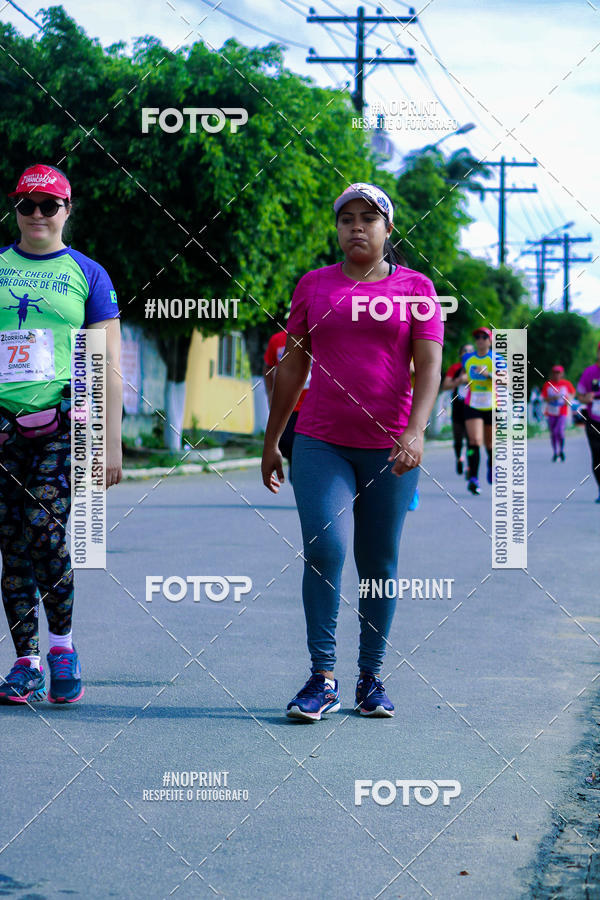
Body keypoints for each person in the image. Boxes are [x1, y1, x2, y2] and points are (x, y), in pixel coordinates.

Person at [261, 182, 443, 720]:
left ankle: (370, 678)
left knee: (378, 562)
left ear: (389, 229)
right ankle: (322, 677)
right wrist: (273, 440)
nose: (356, 227)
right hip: (320, 441)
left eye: (369, 218)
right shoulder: (314, 286)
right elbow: (292, 368)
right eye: (347, 219)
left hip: (390, 447)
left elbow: (428, 365)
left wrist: (416, 430)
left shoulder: (416, 287)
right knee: (325, 549)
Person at [0, 163, 122, 705]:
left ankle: (62, 649)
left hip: (62, 423)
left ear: (67, 210)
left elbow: (107, 363)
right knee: (12, 547)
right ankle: (25, 663)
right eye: (27, 205)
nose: (37, 215)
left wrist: (110, 442)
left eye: (48, 205)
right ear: (15, 210)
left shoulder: (88, 274)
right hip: (2, 423)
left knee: (44, 531)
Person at [263, 330, 310, 481]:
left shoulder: (317, 335)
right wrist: (270, 393)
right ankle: (295, 466)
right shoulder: (277, 340)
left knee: (307, 445)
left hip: (312, 405)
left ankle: (302, 471)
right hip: (290, 406)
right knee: (287, 442)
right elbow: (268, 366)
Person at [462, 328, 498, 495]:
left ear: (490, 341)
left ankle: (491, 466)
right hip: (473, 403)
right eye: (477, 337)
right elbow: (462, 375)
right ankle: (473, 478)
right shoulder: (467, 359)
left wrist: (489, 374)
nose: (480, 340)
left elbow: (506, 380)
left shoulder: (496, 359)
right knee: (474, 441)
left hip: (491, 405)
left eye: (484, 337)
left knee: (490, 444)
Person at [442, 343, 474, 475]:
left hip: (473, 407)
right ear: (460, 354)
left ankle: (470, 464)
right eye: (464, 351)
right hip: (457, 407)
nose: (466, 353)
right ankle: (459, 457)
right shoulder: (455, 368)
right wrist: (460, 380)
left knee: (472, 440)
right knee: (458, 438)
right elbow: (445, 385)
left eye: (470, 351)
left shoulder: (477, 368)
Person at [576, 342, 600, 502]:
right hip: (594, 420)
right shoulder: (590, 372)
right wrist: (587, 398)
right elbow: (580, 395)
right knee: (597, 457)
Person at [541, 365, 575, 461]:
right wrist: (553, 398)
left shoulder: (566, 384)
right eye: (555, 373)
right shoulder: (548, 384)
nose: (557, 375)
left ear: (562, 374)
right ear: (552, 374)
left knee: (559, 431)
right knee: (553, 433)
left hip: (562, 411)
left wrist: (568, 400)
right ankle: (555, 452)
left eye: (559, 373)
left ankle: (561, 450)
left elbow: (572, 393)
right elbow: (544, 398)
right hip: (551, 411)